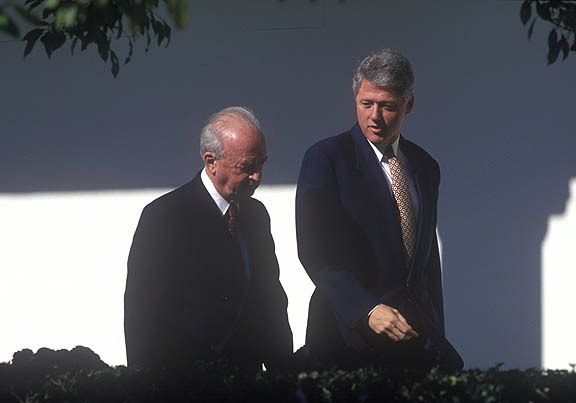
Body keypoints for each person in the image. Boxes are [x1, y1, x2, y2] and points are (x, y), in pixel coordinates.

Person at [295, 50, 463, 371]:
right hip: (347, 339)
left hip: (413, 341)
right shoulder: (327, 159)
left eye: (387, 106)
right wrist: (367, 310)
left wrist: (436, 333)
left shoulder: (425, 167)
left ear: (408, 105)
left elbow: (426, 263)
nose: (375, 116)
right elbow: (316, 252)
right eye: (366, 104)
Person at [124, 106, 293, 372]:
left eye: (262, 163)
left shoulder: (255, 215)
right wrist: (147, 385)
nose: (257, 176)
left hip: (248, 380)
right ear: (211, 161)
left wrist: (284, 374)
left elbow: (269, 299)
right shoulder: (165, 217)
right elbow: (143, 313)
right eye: (246, 166)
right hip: (186, 381)